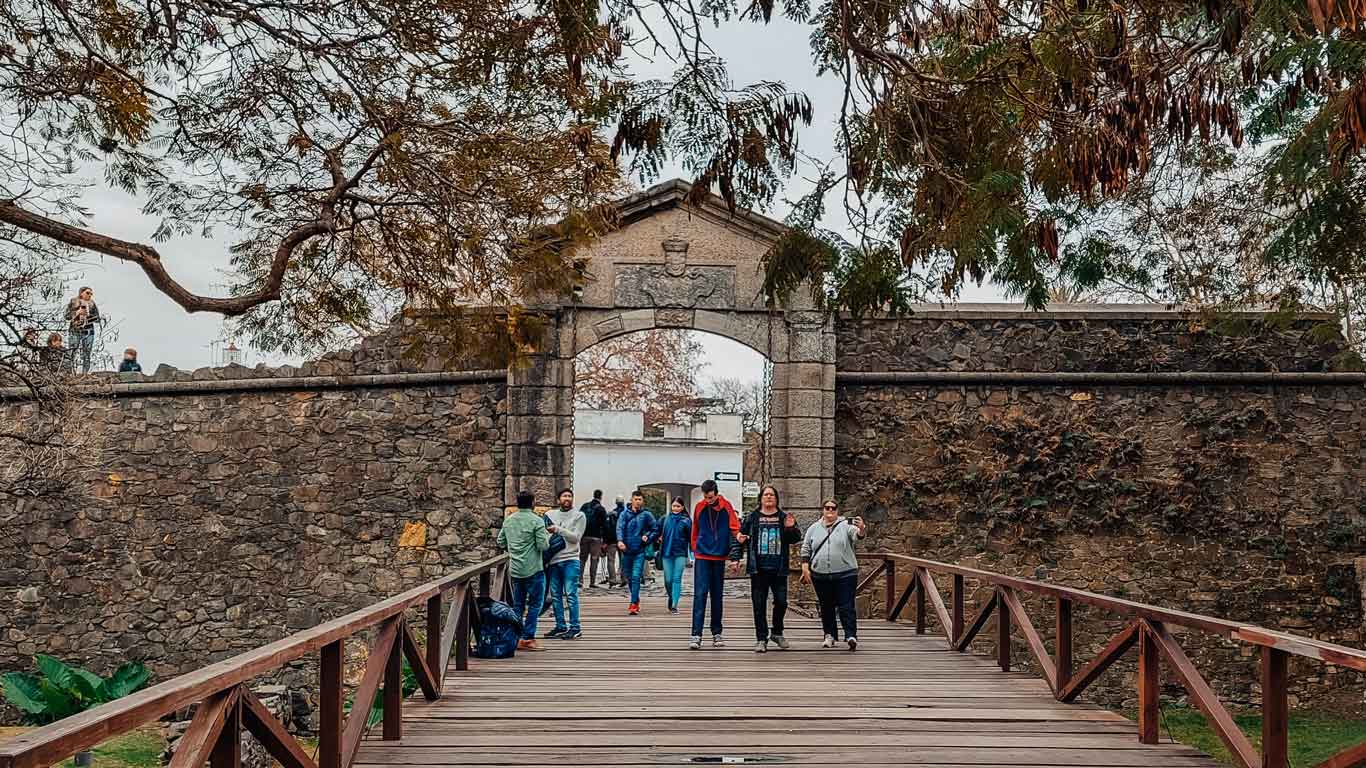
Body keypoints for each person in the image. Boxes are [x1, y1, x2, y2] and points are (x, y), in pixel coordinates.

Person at [800, 498, 867, 652]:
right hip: (820, 574)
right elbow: (806, 548)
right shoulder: (814, 528)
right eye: (827, 508)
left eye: (833, 508)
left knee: (846, 605)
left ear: (838, 510)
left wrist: (862, 529)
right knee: (826, 606)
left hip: (845, 573)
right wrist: (805, 566)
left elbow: (857, 536)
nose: (830, 511)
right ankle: (829, 635)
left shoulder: (846, 525)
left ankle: (851, 635)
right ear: (822, 510)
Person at [740, 485, 802, 652]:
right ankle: (761, 638)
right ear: (760, 498)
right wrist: (735, 557)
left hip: (778, 567)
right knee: (759, 604)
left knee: (781, 602)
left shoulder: (784, 517)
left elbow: (795, 538)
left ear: (776, 498)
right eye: (766, 495)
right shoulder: (752, 517)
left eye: (772, 495)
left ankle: (777, 632)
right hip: (758, 568)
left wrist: (790, 528)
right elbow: (740, 537)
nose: (769, 497)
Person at [689, 479, 741, 649]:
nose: (708, 500)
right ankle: (696, 634)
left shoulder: (726, 507)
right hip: (703, 555)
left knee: (717, 596)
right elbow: (695, 528)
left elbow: (735, 529)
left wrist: (735, 555)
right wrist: (695, 547)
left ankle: (717, 633)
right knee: (700, 595)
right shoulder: (699, 507)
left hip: (719, 556)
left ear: (716, 494)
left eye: (711, 497)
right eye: (706, 497)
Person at [497, 491, 550, 651]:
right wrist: (547, 536)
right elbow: (543, 546)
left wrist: (514, 549)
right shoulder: (537, 521)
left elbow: (500, 541)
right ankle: (528, 638)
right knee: (535, 604)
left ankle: (516, 637)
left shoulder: (509, 520)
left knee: (518, 605)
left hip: (515, 570)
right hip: (534, 569)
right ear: (533, 502)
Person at [545, 488, 586, 640]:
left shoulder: (579, 516)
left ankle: (575, 627)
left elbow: (575, 538)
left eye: (570, 496)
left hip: (571, 559)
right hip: (554, 560)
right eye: (564, 496)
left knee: (571, 594)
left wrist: (557, 529)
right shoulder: (550, 515)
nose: (567, 498)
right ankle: (560, 626)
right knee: (555, 595)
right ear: (558, 500)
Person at [615, 490, 657, 615]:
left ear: (642, 501)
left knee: (636, 576)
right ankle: (636, 599)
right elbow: (620, 527)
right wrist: (620, 540)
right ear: (631, 500)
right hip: (626, 550)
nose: (638, 501)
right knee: (628, 576)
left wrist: (648, 536)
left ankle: (633, 603)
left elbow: (655, 529)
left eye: (640, 499)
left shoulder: (646, 515)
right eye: (636, 499)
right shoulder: (624, 514)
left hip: (639, 550)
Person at [656, 497, 692, 614]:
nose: (676, 508)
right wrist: (650, 538)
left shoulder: (686, 521)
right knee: (668, 580)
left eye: (678, 506)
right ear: (671, 506)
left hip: (680, 553)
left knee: (677, 579)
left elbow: (691, 538)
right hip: (666, 553)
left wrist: (693, 552)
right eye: (674, 506)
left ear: (682, 508)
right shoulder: (665, 519)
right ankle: (671, 596)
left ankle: (674, 605)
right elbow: (656, 531)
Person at [65, 286, 102, 374]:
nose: (89, 295)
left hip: (88, 331)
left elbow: (98, 318)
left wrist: (88, 316)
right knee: (72, 352)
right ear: (81, 293)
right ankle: (70, 373)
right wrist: (77, 313)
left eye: (91, 294)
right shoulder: (73, 301)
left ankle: (85, 373)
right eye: (87, 293)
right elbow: (66, 316)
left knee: (87, 354)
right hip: (75, 330)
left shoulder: (92, 303)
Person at [578, 489, 609, 588]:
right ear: (601, 497)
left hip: (584, 536)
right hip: (596, 537)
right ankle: (592, 582)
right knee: (594, 559)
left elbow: (579, 519)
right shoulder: (601, 509)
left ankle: (580, 580)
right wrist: (605, 540)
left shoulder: (585, 506)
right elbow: (605, 525)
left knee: (582, 559)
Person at [605, 495, 625, 587]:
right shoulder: (626, 513)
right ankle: (624, 578)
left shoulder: (611, 513)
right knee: (623, 560)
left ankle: (612, 579)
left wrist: (605, 540)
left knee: (611, 560)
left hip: (612, 539)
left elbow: (607, 527)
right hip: (623, 539)